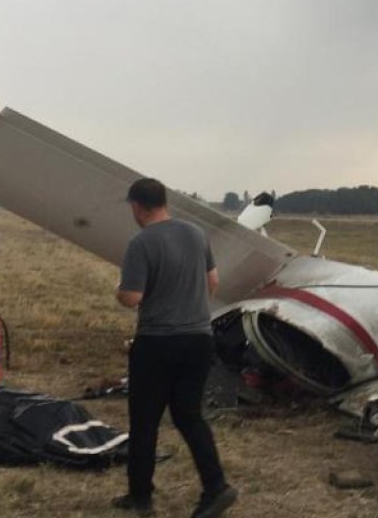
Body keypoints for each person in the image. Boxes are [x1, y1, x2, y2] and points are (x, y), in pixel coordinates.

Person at [113, 177, 237, 518]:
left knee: (145, 420)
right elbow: (213, 281)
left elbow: (132, 297)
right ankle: (216, 486)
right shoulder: (196, 234)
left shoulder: (141, 243)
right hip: (199, 339)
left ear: (137, 206)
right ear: (164, 202)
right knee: (189, 415)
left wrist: (120, 290)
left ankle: (141, 496)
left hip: (157, 344)